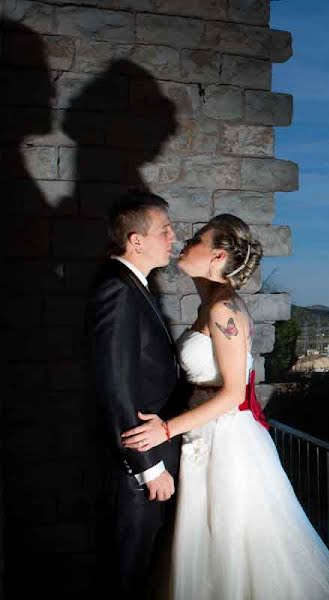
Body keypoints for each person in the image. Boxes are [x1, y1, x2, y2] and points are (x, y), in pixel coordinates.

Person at [121, 214, 329, 599]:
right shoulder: (213, 305)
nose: (185, 241)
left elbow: (233, 394)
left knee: (231, 553)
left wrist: (164, 429)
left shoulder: (223, 311)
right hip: (209, 437)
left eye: (197, 238)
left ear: (216, 256)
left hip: (226, 444)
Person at [85, 191, 183, 597]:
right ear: (136, 240)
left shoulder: (134, 285)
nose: (174, 237)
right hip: (138, 466)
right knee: (130, 571)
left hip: (151, 454)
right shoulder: (118, 290)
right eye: (165, 230)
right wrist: (148, 467)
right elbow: (114, 383)